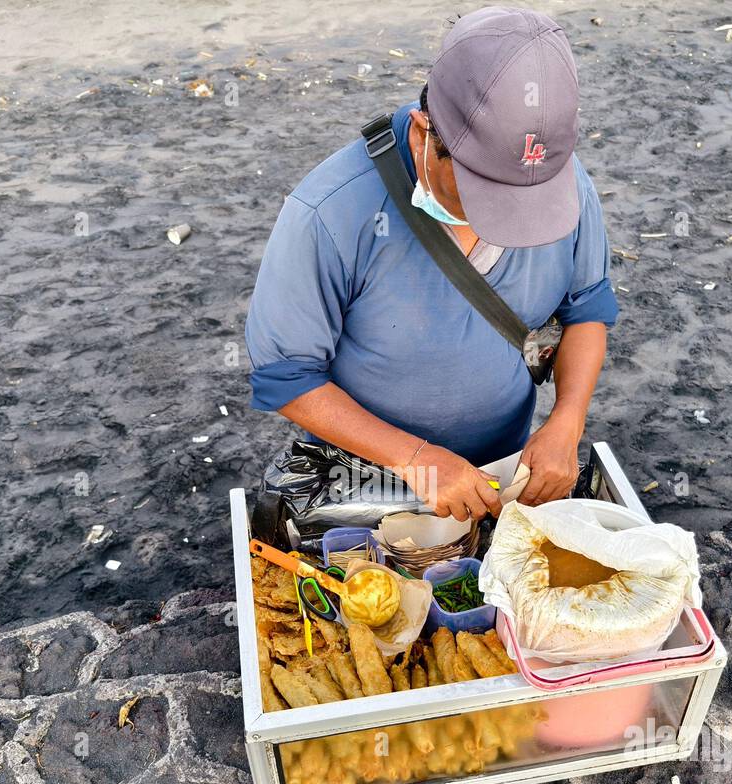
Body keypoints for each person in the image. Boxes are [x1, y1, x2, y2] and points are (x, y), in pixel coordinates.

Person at [246, 6, 617, 520]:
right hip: (366, 480)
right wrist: (416, 460)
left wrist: (567, 421)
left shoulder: (561, 183)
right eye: (483, 196)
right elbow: (288, 376)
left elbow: (585, 310)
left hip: (505, 470)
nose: (501, 224)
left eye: (522, 201)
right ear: (425, 137)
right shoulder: (329, 212)